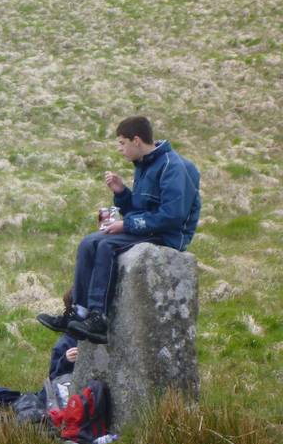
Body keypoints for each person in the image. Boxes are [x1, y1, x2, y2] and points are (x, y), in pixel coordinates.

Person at [37, 116, 201, 344]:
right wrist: (122, 192)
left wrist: (126, 225)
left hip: (167, 236)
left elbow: (172, 217)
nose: (120, 149)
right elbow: (138, 209)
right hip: (149, 230)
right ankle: (79, 312)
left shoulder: (173, 167)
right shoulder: (145, 166)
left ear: (136, 140)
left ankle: (99, 318)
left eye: (122, 143)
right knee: (88, 242)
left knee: (106, 245)